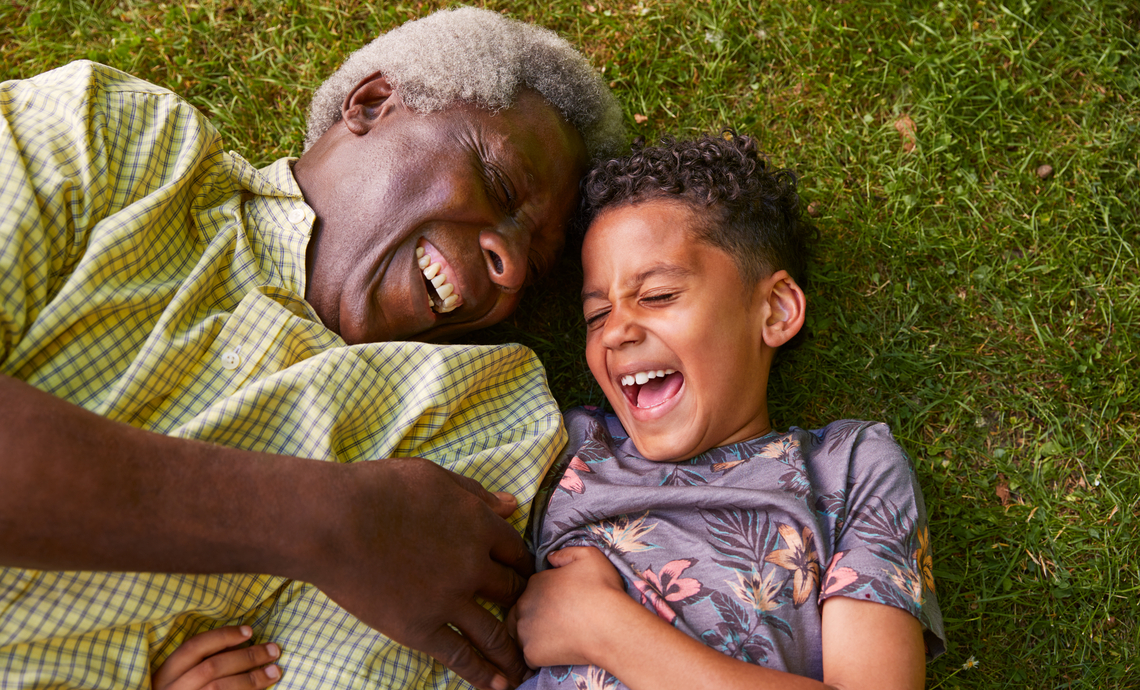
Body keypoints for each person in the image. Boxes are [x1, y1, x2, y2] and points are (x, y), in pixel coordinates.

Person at [0, 7, 623, 690]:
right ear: (373, 103)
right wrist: (326, 520)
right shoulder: (114, 141)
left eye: (532, 263)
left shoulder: (475, 423)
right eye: (499, 183)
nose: (507, 263)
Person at [506, 134, 947, 689]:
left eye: (659, 295)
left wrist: (604, 628)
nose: (615, 331)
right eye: (596, 316)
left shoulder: (850, 469)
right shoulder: (564, 447)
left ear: (776, 310)